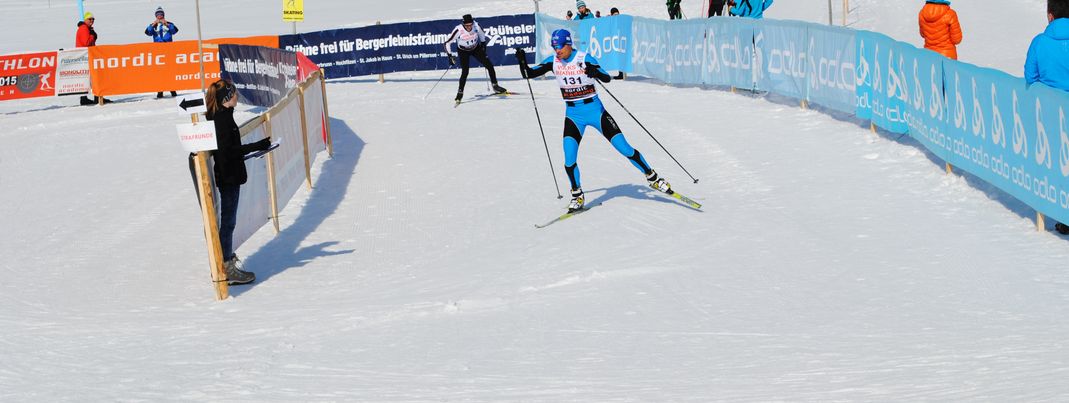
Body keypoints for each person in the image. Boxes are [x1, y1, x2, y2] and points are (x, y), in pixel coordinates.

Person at [515, 29, 672, 213]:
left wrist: (594, 71)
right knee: (568, 160)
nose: (557, 50)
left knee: (625, 148)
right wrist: (522, 61)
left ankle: (652, 178)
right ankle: (577, 194)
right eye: (554, 47)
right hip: (573, 115)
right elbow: (529, 74)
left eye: (559, 47)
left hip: (595, 111)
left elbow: (607, 77)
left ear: (568, 44)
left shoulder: (584, 57)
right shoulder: (553, 61)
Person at [205, 79, 272, 285]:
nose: (236, 96)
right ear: (227, 98)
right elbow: (227, 151)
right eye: (233, 93)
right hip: (228, 177)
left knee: (229, 222)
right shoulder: (221, 120)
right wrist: (255, 146)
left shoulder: (224, 116)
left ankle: (226, 260)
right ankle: (226, 266)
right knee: (228, 223)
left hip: (230, 174)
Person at [1026, 0, 1069, 234]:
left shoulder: (1040, 42)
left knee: (1059, 166)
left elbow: (1030, 76)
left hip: (1051, 117)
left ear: (1050, 16)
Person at [443, 14, 507, 104]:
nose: (469, 27)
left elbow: (481, 34)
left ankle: (495, 85)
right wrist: (449, 55)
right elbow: (447, 43)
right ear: (463, 24)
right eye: (467, 25)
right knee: (465, 72)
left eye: (470, 25)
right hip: (463, 51)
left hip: (475, 48)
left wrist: (483, 43)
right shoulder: (458, 29)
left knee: (489, 65)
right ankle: (460, 92)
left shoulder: (476, 25)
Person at [75, 12, 112, 105]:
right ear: (85, 20)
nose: (91, 21)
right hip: (85, 56)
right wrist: (93, 35)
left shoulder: (86, 28)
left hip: (86, 56)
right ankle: (94, 97)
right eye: (89, 19)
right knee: (94, 76)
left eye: (93, 19)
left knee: (89, 77)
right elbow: (86, 42)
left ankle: (90, 98)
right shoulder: (84, 29)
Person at [145, 6, 179, 98]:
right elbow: (148, 32)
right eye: (158, 15)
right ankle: (160, 90)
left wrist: (167, 24)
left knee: (170, 71)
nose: (160, 17)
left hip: (168, 50)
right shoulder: (153, 24)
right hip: (158, 51)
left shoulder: (169, 23)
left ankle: (173, 89)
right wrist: (153, 25)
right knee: (159, 71)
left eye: (161, 15)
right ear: (156, 16)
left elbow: (175, 31)